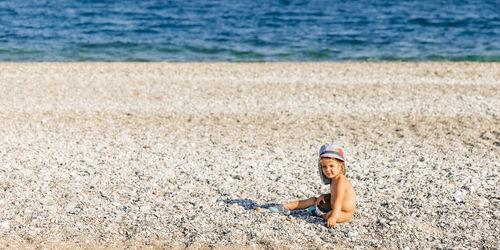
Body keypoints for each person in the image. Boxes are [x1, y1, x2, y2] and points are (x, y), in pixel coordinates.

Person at [269, 143, 356, 227]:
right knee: (313, 200)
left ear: (340, 166)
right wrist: (325, 196)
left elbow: (339, 201)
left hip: (345, 212)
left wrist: (333, 217)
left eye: (331, 166)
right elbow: (335, 195)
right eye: (324, 166)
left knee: (330, 216)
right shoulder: (334, 179)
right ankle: (285, 207)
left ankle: (321, 214)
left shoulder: (341, 181)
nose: (328, 170)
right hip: (333, 206)